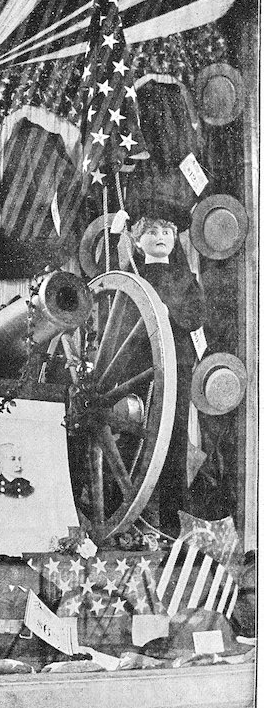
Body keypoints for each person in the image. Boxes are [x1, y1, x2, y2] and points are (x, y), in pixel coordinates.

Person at [130, 215, 207, 536]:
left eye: (165, 232)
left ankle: (173, 524)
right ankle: (135, 519)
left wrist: (167, 312)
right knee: (136, 433)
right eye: (151, 232)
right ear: (138, 242)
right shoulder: (133, 275)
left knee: (174, 437)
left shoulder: (185, 277)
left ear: (175, 240)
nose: (160, 236)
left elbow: (196, 316)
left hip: (177, 364)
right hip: (139, 365)